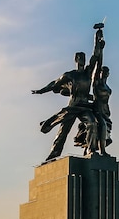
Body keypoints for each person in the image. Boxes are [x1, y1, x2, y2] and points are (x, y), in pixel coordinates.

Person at [32, 29, 104, 161]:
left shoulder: (88, 72)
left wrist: (97, 40)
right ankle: (53, 155)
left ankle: (91, 149)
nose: (82, 60)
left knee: (92, 123)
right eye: (80, 58)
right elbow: (54, 83)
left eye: (83, 58)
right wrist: (41, 91)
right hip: (73, 106)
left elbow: (96, 55)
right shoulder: (70, 75)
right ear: (76, 60)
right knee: (63, 132)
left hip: (84, 107)